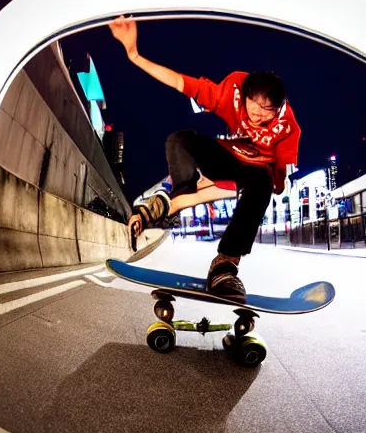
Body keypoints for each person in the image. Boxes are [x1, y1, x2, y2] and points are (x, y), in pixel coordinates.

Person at [108, 15, 301, 303]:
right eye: (253, 107)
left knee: (259, 182)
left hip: (257, 175)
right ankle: (167, 199)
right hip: (228, 160)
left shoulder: (288, 125)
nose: (259, 115)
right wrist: (134, 55)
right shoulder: (231, 92)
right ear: (244, 96)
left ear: (279, 108)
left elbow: (281, 174)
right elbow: (179, 82)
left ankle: (226, 264)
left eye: (267, 111)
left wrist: (277, 182)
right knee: (180, 140)